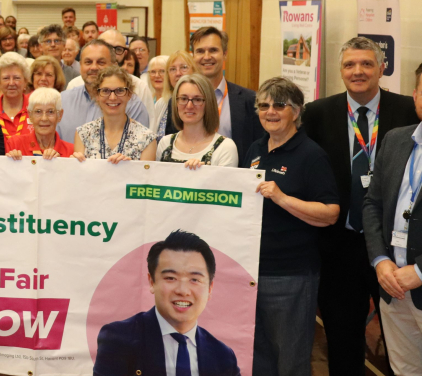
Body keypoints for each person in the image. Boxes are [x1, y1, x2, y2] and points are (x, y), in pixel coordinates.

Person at [302, 36, 417, 376]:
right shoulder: (318, 113)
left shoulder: (408, 111)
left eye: (367, 64)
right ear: (340, 70)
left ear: (382, 68)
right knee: (342, 342)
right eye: (350, 64)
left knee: (404, 343)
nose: (358, 71)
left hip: (394, 249)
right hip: (339, 246)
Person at [242, 76, 340, 376]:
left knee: (291, 361)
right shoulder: (255, 149)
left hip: (291, 275)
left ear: (296, 112)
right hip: (252, 271)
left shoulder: (311, 155)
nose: (270, 112)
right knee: (257, 356)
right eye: (264, 105)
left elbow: (331, 213)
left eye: (279, 105)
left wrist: (283, 198)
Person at [94, 230, 240, 376]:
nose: (183, 291)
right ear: (152, 282)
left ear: (210, 288)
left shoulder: (223, 356)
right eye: (171, 278)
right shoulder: (119, 339)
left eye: (194, 280)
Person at [363, 62, 422, 376]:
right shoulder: (396, 140)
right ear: (415, 96)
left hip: (418, 279)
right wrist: (380, 259)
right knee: (405, 370)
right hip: (392, 285)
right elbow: (372, 205)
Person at [174, 27, 263, 163]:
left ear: (225, 54)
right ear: (193, 56)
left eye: (213, 50)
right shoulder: (177, 101)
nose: (207, 56)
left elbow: (258, 148)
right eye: (200, 51)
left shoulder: (249, 100)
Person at [58, 40, 151, 145]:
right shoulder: (62, 101)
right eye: (88, 62)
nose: (93, 67)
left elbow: (140, 147)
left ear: (114, 66)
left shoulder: (132, 104)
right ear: (80, 66)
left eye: (101, 62)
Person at [73, 65, 156, 162]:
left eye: (120, 90)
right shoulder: (83, 134)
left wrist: (131, 168)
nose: (112, 97)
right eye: (105, 91)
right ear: (97, 95)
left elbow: (145, 177)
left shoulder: (147, 138)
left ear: (129, 94)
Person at [67, 30, 155, 119]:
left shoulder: (140, 88)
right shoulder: (74, 85)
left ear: (125, 54)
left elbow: (150, 128)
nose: (112, 54)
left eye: (118, 49)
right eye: (106, 47)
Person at [157, 74, 238, 168]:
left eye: (197, 99)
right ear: (176, 103)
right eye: (183, 99)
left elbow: (223, 183)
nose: (189, 106)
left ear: (208, 103)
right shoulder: (165, 144)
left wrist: (202, 173)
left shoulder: (225, 147)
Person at [6, 88, 73, 160]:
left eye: (50, 112)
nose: (44, 118)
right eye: (38, 112)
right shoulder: (15, 144)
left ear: (59, 115)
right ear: (30, 115)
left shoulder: (71, 151)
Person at [0, 52, 31, 142]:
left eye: (17, 78)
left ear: (25, 81)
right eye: (6, 78)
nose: (11, 83)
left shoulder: (38, 113)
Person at [155, 50, 198, 139]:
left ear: (194, 71)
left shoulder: (200, 102)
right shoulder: (162, 103)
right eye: (173, 69)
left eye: (184, 67)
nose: (178, 73)